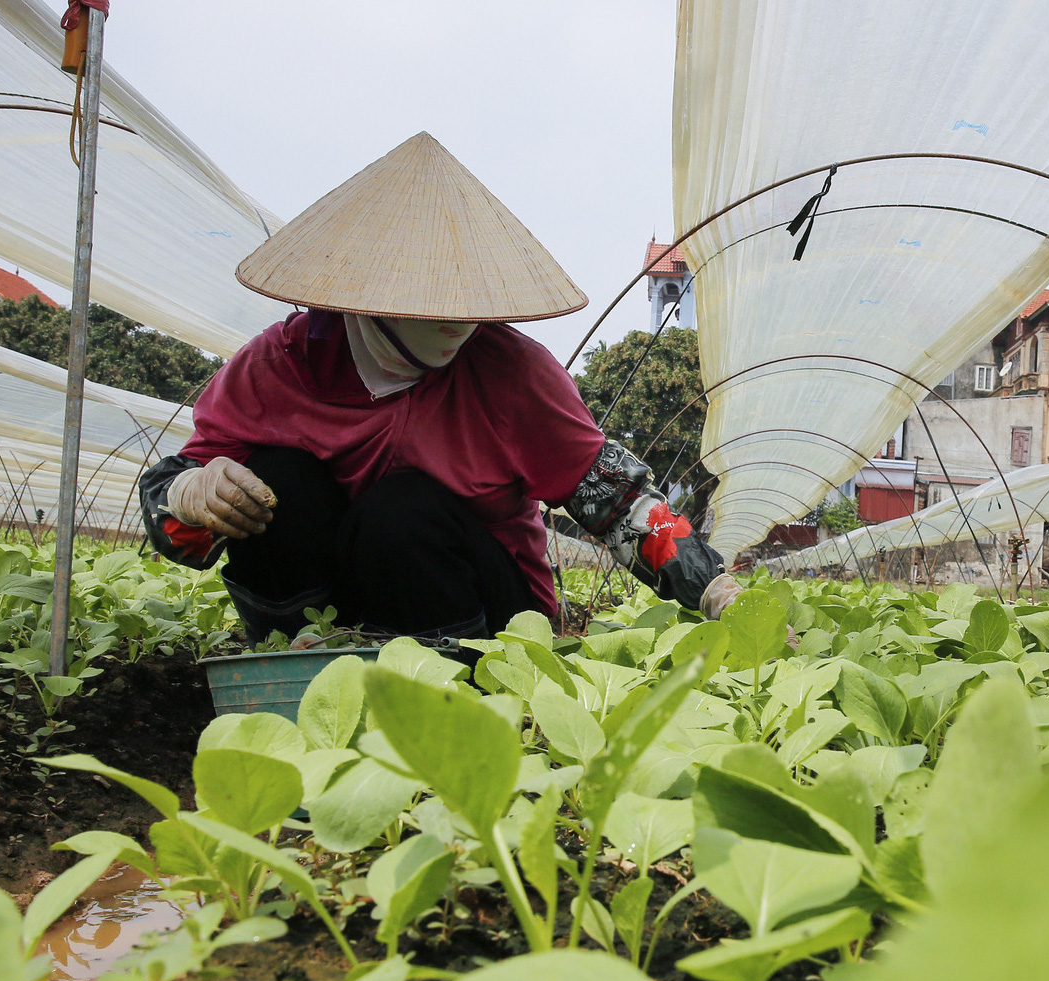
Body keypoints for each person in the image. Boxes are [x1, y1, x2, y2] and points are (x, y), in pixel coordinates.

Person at [139, 134, 738, 643]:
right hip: (324, 609)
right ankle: (298, 664)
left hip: (478, 612)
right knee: (276, 482)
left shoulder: (513, 374)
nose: (455, 320)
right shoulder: (279, 366)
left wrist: (712, 586)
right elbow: (182, 524)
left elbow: (617, 505)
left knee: (400, 513)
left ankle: (444, 695)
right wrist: (190, 495)